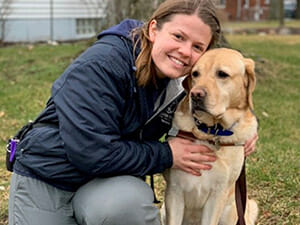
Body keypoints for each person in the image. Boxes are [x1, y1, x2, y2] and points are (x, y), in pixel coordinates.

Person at [8, 0, 258, 224]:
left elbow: (219, 107)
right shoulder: (102, 65)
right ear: (153, 30)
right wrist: (166, 153)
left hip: (106, 183)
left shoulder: (186, 82)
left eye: (197, 46)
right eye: (178, 37)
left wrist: (236, 135)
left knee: (130, 206)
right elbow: (91, 153)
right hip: (49, 176)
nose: (185, 51)